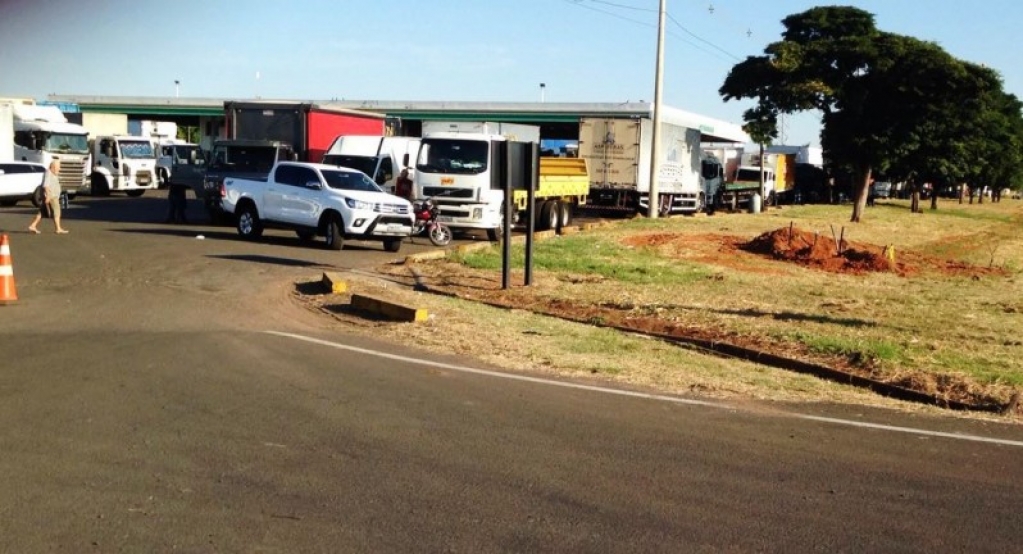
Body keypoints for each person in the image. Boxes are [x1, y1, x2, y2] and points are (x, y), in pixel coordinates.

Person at [28, 160, 69, 234]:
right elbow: (46, 185)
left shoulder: (52, 173)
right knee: (57, 211)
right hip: (51, 196)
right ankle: (58, 228)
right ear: (53, 167)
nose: (59, 169)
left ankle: (33, 225)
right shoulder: (48, 173)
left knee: (42, 212)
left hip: (51, 196)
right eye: (58, 167)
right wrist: (48, 196)